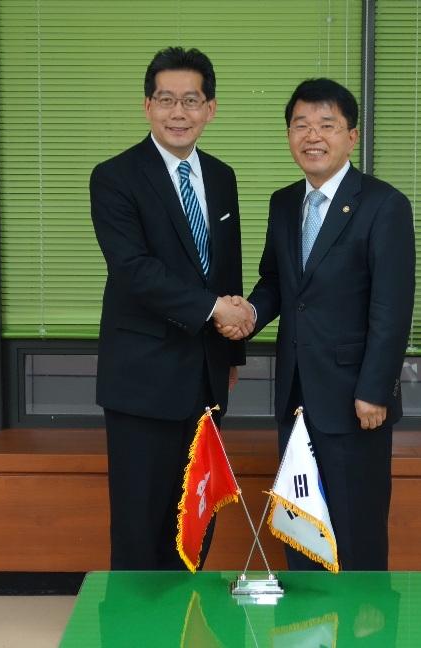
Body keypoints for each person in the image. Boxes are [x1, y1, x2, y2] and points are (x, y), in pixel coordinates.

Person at [218, 78, 415, 570]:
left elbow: (392, 307)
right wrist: (251, 315)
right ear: (288, 135)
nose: (313, 136)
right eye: (301, 125)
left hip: (355, 400)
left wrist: (376, 389)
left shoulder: (383, 204)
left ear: (352, 136)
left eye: (327, 125)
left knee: (356, 529)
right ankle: (307, 630)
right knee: (300, 527)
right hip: (297, 395)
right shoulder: (283, 203)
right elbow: (276, 282)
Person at [90, 47, 255, 570]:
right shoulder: (115, 177)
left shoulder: (223, 176)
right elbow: (134, 270)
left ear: (211, 108)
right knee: (140, 527)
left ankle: (186, 628)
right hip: (143, 380)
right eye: (166, 100)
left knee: (195, 521)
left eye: (191, 100)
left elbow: (227, 269)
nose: (178, 112)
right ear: (147, 106)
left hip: (206, 378)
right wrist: (215, 310)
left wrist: (231, 357)